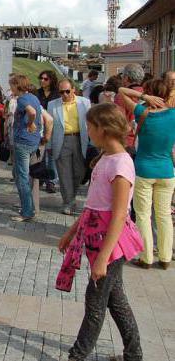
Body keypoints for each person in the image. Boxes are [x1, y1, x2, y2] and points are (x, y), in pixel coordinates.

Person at [57, 103, 143, 361]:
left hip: (111, 244)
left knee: (95, 304)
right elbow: (93, 204)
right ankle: (134, 354)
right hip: (97, 239)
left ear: (103, 129)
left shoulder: (121, 166)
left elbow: (118, 215)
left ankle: (77, 355)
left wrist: (104, 258)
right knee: (115, 301)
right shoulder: (106, 158)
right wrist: (71, 233)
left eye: (90, 126)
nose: (87, 131)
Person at [117, 81, 175, 269]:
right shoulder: (173, 114)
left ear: (150, 93)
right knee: (164, 215)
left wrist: (143, 97)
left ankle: (146, 257)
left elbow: (121, 91)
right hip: (166, 170)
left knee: (143, 215)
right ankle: (166, 257)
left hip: (143, 169)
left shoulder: (142, 111)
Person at [47, 79, 91, 216]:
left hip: (80, 140)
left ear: (73, 89)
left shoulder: (84, 102)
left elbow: (90, 123)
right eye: (61, 92)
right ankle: (68, 202)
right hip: (62, 140)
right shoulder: (52, 105)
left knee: (79, 172)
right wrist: (49, 145)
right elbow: (50, 125)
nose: (64, 94)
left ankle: (71, 197)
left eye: (67, 91)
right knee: (64, 173)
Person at [10, 74, 42, 222]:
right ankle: (29, 207)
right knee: (23, 176)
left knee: (22, 177)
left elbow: (32, 112)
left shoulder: (22, 99)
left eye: (12, 85)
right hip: (33, 141)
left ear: (17, 85)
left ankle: (27, 211)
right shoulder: (34, 97)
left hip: (22, 141)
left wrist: (30, 123)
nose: (11, 88)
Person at [114, 63, 144, 150]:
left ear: (126, 78)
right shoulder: (147, 94)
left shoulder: (121, 96)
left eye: (123, 76)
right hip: (144, 140)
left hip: (128, 142)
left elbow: (118, 121)